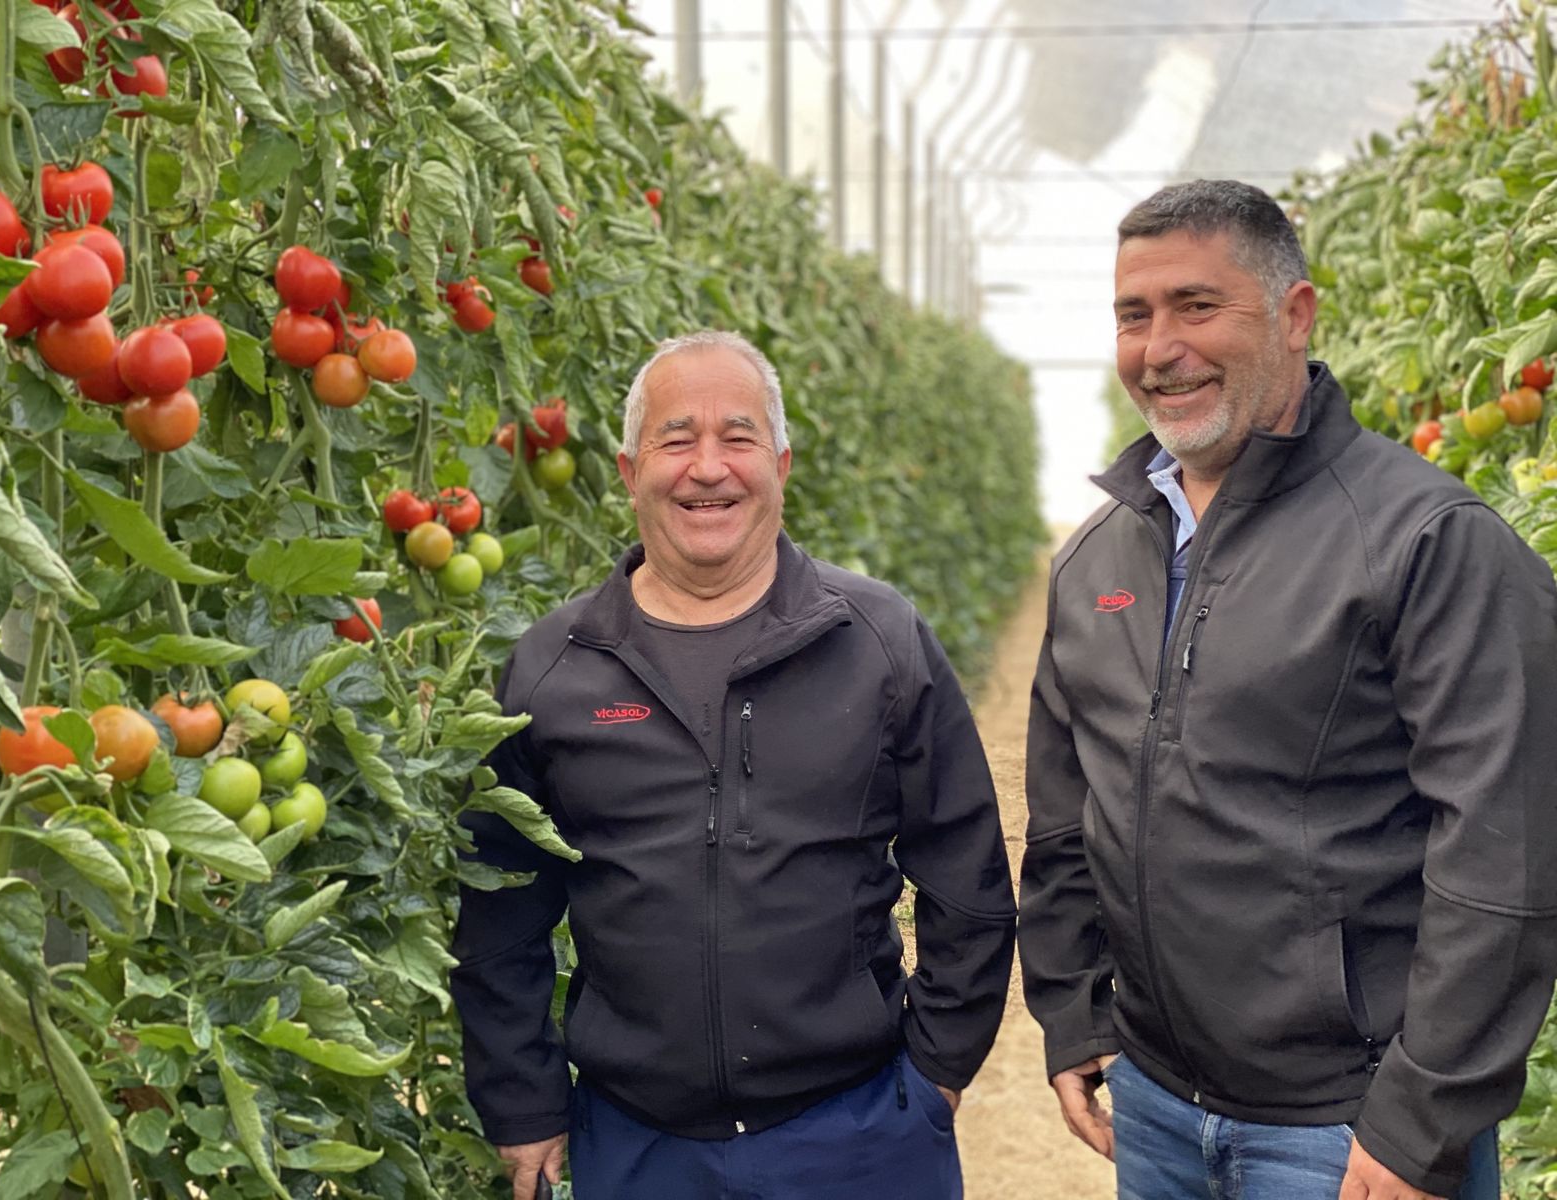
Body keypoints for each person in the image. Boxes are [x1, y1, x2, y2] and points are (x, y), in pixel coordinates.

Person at [1018, 179, 1557, 1200]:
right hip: (1158, 1107)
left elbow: (1508, 852)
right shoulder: (1097, 558)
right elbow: (1063, 819)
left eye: (1196, 306)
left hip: (1346, 1126)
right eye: (1134, 316)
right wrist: (1078, 1013)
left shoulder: (1424, 540)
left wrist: (1420, 1124)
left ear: (1294, 315)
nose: (1158, 347)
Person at [451, 329, 1017, 1200]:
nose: (707, 468)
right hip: (638, 1142)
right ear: (628, 468)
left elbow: (966, 871)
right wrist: (522, 1100)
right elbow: (501, 911)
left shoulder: (874, 640)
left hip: (856, 1129)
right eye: (677, 439)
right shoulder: (555, 666)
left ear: (782, 464)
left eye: (739, 437)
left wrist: (933, 1077)